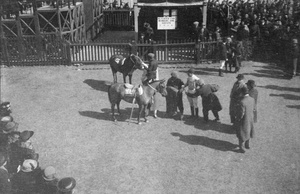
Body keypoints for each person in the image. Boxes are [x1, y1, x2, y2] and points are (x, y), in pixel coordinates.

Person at [235, 87, 255, 153]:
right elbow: (254, 109)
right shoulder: (252, 99)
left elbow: (241, 113)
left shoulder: (242, 102)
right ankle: (247, 144)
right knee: (249, 131)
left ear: (242, 93)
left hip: (244, 120)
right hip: (250, 118)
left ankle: (241, 148)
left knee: (241, 133)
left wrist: (237, 119)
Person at [143, 53, 159, 118]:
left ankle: (147, 111)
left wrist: (145, 68)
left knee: (147, 94)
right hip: (155, 77)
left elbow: (149, 70)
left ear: (149, 58)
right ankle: (155, 112)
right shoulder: (156, 61)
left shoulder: (151, 63)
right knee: (155, 96)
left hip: (150, 78)